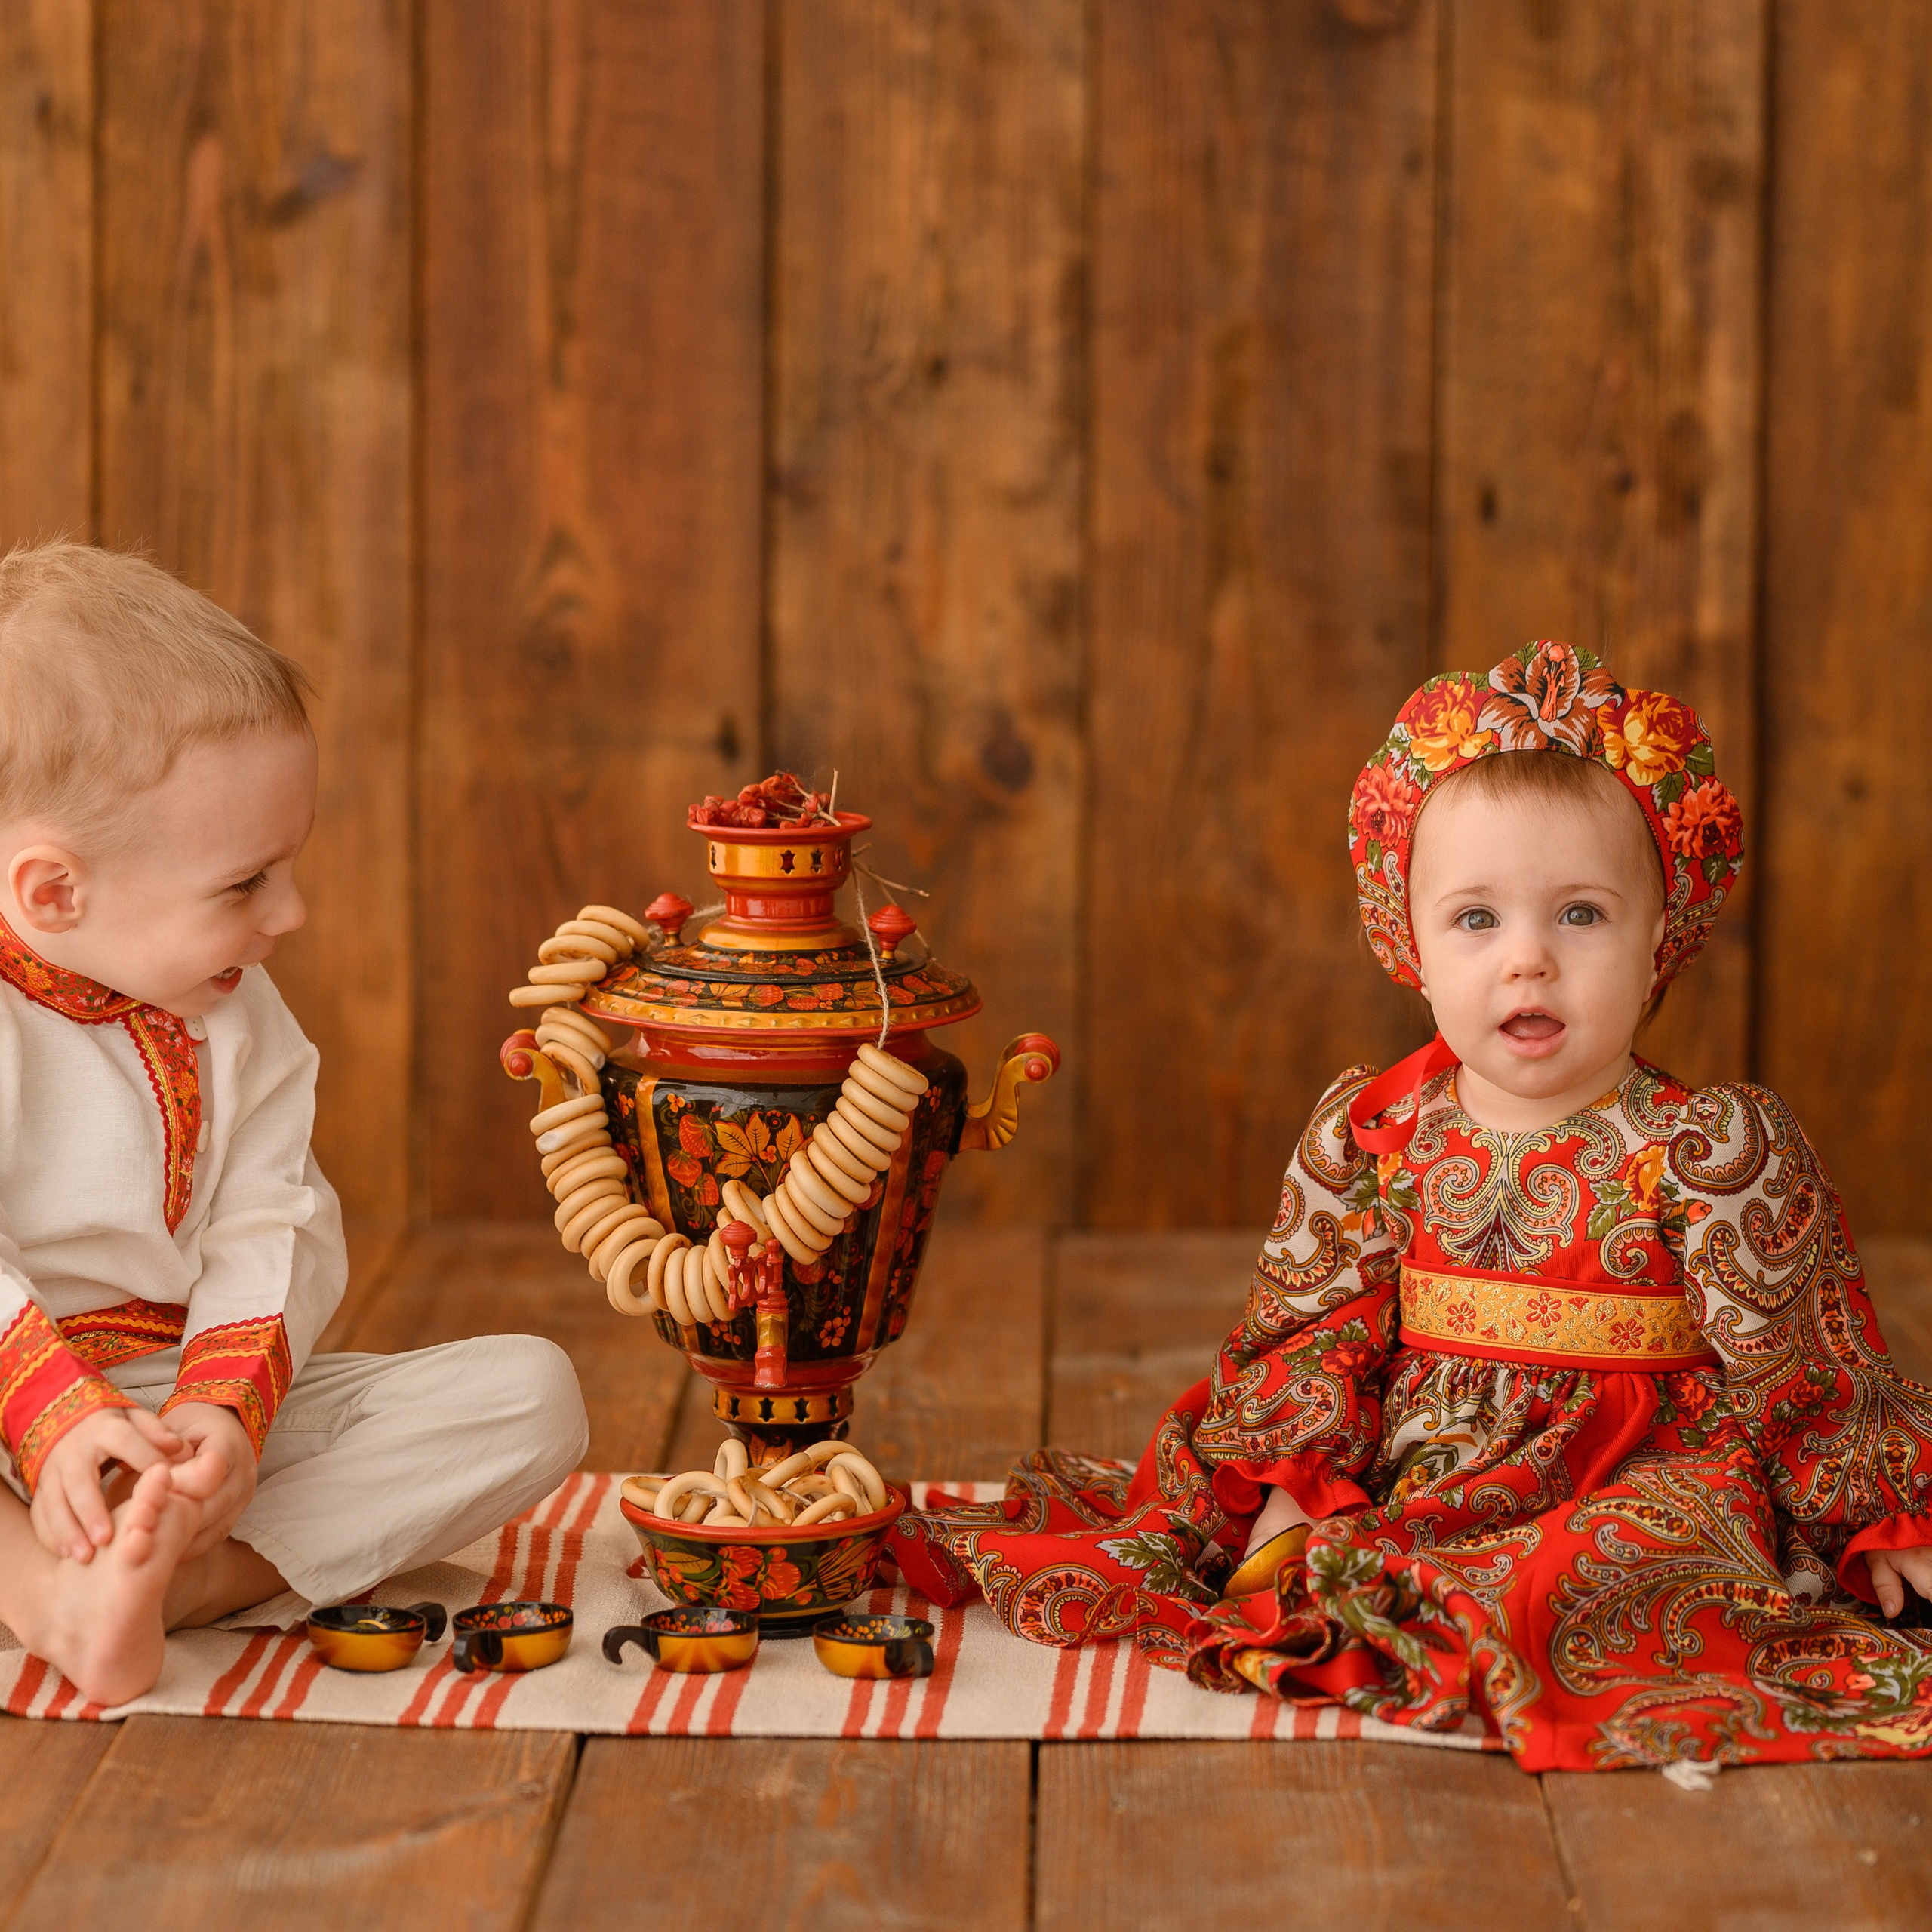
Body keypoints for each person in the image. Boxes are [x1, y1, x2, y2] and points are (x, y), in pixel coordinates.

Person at [891, 641, 1932, 1771]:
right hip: (1430, 1456)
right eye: (1477, 920)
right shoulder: (1380, 1131)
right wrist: (1299, 1487)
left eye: (1581, 916)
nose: (1527, 962)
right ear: (1409, 942)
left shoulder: (1710, 1148)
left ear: (1659, 939)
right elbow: (1316, 1330)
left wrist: (1881, 1522)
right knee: (1345, 1557)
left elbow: (1807, 1361)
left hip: (1642, 1462)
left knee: (1601, 1570)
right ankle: (1373, 1569)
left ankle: (1531, 1608)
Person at [0, 541, 588, 1705]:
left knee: (532, 1396)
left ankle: (183, 1570)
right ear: (53, 892)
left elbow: (274, 1218)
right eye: (243, 885)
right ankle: (44, 1589)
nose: (292, 912)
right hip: (18, 1404)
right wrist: (57, 1423)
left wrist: (220, 1421)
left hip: (167, 1392)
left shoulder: (239, 1013)